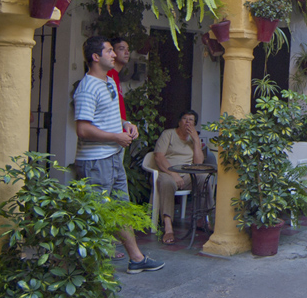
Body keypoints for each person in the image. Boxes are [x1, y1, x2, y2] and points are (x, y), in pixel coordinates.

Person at [73, 35, 165, 274]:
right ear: (96, 57)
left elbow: (109, 118)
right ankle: (85, 269)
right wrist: (115, 137)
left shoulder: (110, 82)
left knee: (120, 210)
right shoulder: (87, 87)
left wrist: (126, 125)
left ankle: (136, 258)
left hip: (113, 158)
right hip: (95, 161)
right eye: (109, 51)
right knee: (97, 214)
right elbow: (82, 129)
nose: (114, 55)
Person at [153, 110, 212, 244]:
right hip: (167, 172)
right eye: (184, 119)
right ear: (179, 122)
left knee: (204, 178)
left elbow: (198, 164)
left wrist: (197, 141)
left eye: (191, 120)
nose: (187, 122)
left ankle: (203, 219)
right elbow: (159, 156)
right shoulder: (168, 134)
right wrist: (173, 174)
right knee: (167, 183)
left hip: (187, 175)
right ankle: (168, 227)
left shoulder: (193, 139)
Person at [107, 37, 130, 123]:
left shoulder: (116, 75)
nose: (127, 52)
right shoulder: (108, 75)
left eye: (128, 49)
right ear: (113, 52)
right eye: (121, 49)